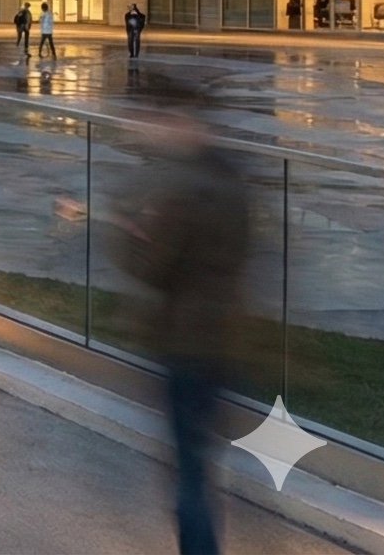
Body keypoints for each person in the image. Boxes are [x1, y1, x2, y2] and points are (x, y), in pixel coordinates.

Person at [114, 69, 247, 554]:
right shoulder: (229, 175)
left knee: (189, 474)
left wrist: (127, 229)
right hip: (221, 337)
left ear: (181, 121)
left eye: (163, 119)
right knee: (197, 465)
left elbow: (148, 268)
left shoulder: (180, 188)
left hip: (185, 342)